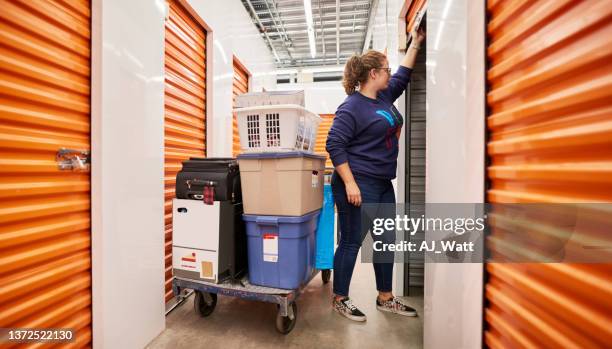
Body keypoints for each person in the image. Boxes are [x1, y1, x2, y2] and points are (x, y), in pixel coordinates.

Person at [325, 26, 426, 322]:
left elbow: (404, 75)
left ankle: (385, 298)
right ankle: (340, 298)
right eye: (386, 69)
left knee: (385, 240)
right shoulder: (352, 107)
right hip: (356, 183)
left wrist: (417, 42)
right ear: (372, 74)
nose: (390, 73)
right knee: (352, 241)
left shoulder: (384, 97)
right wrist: (350, 183)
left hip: (382, 183)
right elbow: (334, 143)